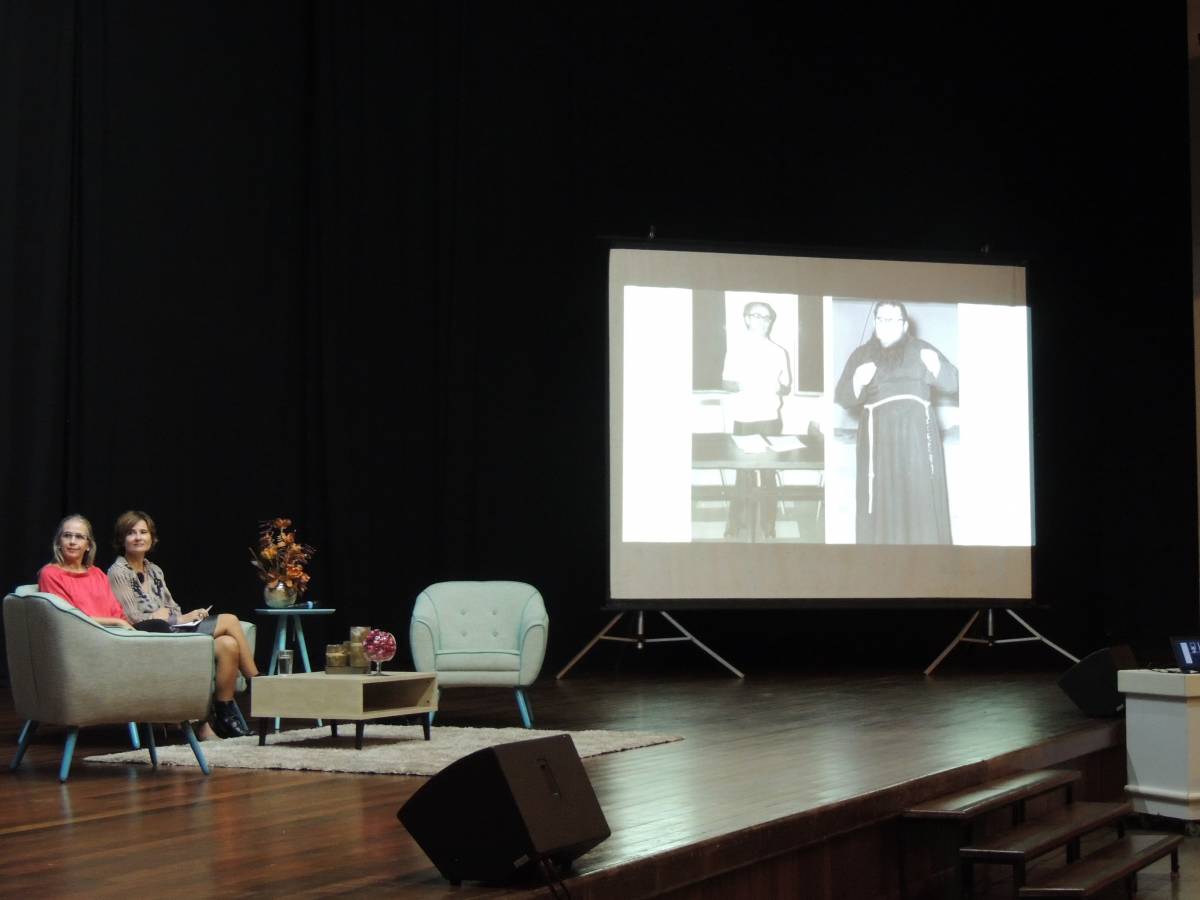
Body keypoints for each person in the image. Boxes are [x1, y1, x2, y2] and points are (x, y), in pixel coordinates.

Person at [107, 510, 259, 738]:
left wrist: (189, 615)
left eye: (143, 532)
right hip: (149, 637)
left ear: (151, 538)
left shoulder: (154, 570)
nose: (138, 537)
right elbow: (134, 618)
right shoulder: (118, 571)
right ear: (122, 539)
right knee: (229, 620)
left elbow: (173, 608)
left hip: (173, 629)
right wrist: (172, 618)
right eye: (131, 533)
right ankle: (259, 684)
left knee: (228, 645)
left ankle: (224, 714)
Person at [833, 301, 958, 544]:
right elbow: (843, 397)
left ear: (905, 325)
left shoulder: (922, 349)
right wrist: (857, 381)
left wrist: (936, 367)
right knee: (880, 502)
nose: (887, 325)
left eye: (893, 320)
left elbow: (953, 384)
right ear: (874, 322)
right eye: (882, 319)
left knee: (921, 502)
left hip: (917, 440)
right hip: (878, 441)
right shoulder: (861, 355)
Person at [722, 300, 792, 539]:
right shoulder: (736, 349)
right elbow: (726, 383)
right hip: (744, 418)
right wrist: (744, 384)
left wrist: (779, 387)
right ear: (747, 319)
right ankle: (735, 523)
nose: (763, 321)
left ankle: (768, 525)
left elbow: (786, 387)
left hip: (770, 419)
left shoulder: (779, 352)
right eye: (757, 316)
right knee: (743, 472)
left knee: (768, 472)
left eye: (767, 317)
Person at [37, 515, 135, 630]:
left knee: (152, 626)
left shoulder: (97, 573)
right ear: (58, 542)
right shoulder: (50, 574)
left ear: (88, 545)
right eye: (67, 536)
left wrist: (123, 626)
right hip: (83, 635)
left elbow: (116, 611)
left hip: (114, 633)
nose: (72, 541)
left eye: (79, 537)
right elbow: (68, 617)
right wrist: (116, 623)